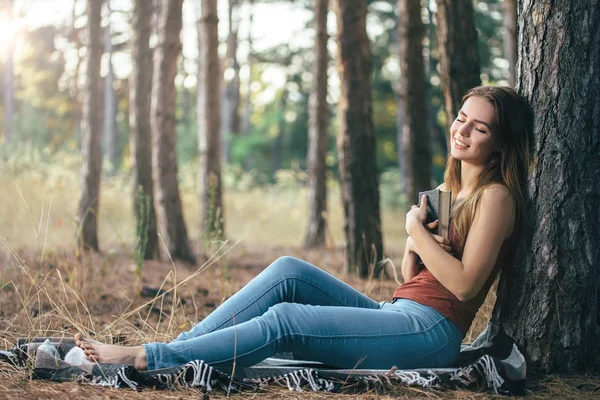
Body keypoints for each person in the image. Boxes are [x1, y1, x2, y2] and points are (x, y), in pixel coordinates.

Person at [75, 85, 533, 372]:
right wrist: (416, 239)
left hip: (431, 334)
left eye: (480, 129)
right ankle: (177, 348)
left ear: (499, 145)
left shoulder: (496, 197)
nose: (463, 132)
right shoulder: (446, 190)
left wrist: (415, 230)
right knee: (289, 270)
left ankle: (148, 359)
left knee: (287, 322)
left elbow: (466, 284)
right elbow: (410, 280)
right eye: (461, 119)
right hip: (399, 310)